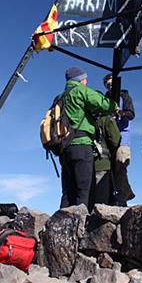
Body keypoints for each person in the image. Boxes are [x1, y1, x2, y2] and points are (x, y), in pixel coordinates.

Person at [58, 66, 118, 210]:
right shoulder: (80, 90)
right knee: (84, 190)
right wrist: (115, 106)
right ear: (81, 79)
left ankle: (60, 225)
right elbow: (103, 103)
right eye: (85, 79)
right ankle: (80, 226)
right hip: (81, 144)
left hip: (64, 147)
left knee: (67, 192)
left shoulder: (61, 96)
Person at [103, 74, 136, 205]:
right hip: (109, 140)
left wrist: (120, 113)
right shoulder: (104, 98)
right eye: (108, 85)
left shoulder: (125, 96)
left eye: (112, 84)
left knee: (121, 165)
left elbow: (131, 114)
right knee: (111, 169)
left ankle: (124, 196)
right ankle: (116, 198)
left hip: (123, 138)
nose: (110, 87)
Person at [93, 115, 121, 205]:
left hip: (82, 165)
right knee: (101, 201)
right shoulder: (106, 118)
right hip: (101, 164)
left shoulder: (82, 115)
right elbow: (115, 140)